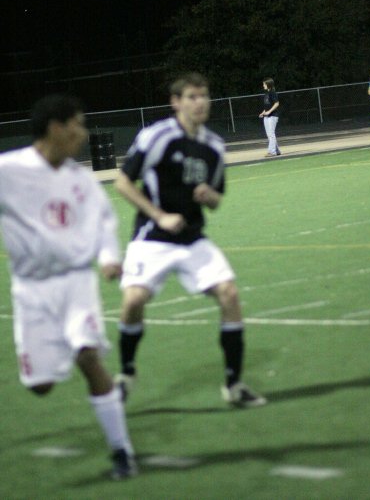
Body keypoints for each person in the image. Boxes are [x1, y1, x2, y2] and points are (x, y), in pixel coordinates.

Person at [0, 94, 137, 480]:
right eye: (77, 124)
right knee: (41, 385)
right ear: (57, 128)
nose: (83, 133)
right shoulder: (9, 171)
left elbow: (103, 221)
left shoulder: (79, 179)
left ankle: (121, 451)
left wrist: (109, 256)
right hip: (32, 291)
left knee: (89, 358)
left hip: (77, 282)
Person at [114, 72, 266, 408]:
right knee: (133, 301)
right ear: (176, 102)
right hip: (152, 237)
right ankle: (125, 374)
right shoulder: (157, 136)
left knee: (229, 293)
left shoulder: (213, 145)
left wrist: (208, 194)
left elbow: (215, 200)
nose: (200, 103)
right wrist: (160, 216)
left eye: (204, 96)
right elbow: (123, 183)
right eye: (192, 97)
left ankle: (234, 384)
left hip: (192, 238)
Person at [259, 77, 281, 157]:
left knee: (271, 134)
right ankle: (277, 150)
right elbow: (267, 106)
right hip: (267, 116)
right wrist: (263, 112)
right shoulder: (266, 93)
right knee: (269, 134)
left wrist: (269, 111)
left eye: (264, 84)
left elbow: (276, 103)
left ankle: (272, 152)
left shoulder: (272, 92)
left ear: (268, 84)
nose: (263, 85)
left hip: (273, 116)